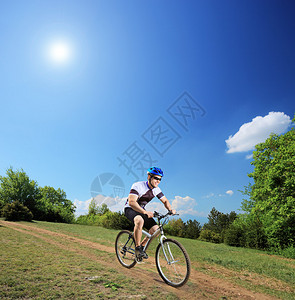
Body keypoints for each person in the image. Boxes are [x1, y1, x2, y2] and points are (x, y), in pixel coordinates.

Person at [124, 167, 176, 260]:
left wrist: (170, 209)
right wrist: (144, 212)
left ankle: (142, 247)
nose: (158, 181)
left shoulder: (156, 189)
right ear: (149, 176)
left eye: (160, 179)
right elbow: (132, 202)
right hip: (130, 209)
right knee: (139, 220)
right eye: (156, 178)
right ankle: (137, 248)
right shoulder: (138, 185)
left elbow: (165, 201)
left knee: (156, 230)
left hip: (141, 210)